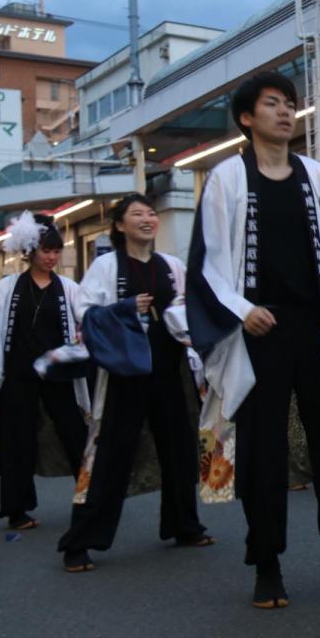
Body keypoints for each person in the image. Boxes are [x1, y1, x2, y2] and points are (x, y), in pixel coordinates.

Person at [186, 71, 320, 609]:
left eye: (290, 105)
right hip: (259, 328)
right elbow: (207, 265)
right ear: (247, 117)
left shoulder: (316, 175)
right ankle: (266, 562)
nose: (285, 112)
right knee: (262, 452)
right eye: (272, 104)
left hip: (315, 325)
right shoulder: (227, 179)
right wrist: (243, 310)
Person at [56, 194, 211, 572]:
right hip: (124, 373)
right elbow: (86, 312)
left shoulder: (172, 265)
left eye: (151, 213)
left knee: (179, 451)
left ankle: (184, 526)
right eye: (137, 214)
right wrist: (127, 308)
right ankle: (80, 542)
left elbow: (188, 306)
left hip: (169, 370)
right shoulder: (107, 265)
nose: (147, 219)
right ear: (120, 225)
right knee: (109, 456)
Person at [0, 212, 89, 531]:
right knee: (15, 440)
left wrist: (79, 344)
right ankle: (16, 509)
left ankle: (91, 497)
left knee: (76, 435)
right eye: (46, 251)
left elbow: (87, 323)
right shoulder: (5, 289)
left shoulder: (70, 289)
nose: (51, 257)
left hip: (57, 372)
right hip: (17, 373)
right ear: (30, 251)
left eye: (56, 251)